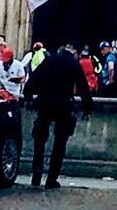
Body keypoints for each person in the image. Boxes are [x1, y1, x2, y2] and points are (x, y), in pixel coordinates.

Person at [26, 41, 95, 189]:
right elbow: (83, 87)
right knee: (59, 143)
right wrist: (87, 107)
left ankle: (36, 173)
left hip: (45, 103)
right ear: (74, 53)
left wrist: (28, 96)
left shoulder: (49, 60)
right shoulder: (73, 64)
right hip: (63, 106)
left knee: (40, 139)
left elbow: (34, 78)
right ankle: (51, 178)